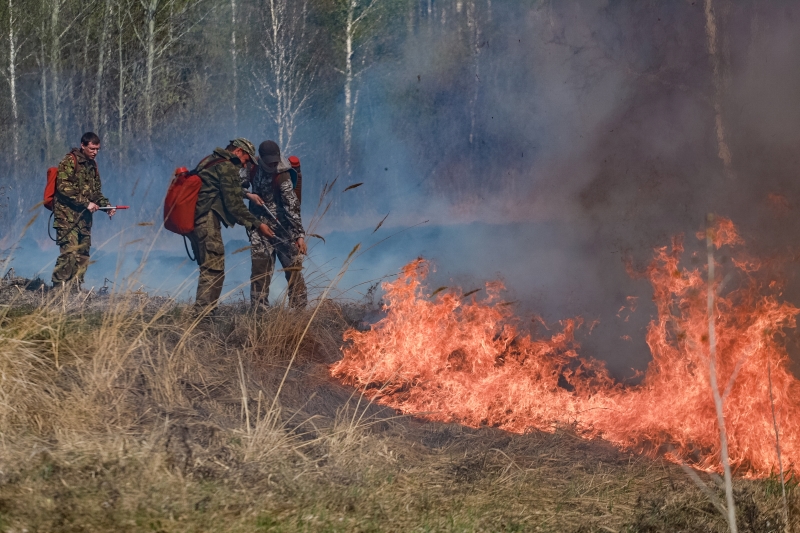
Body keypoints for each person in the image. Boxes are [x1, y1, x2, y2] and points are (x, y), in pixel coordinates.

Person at [188, 138, 275, 316]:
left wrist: (247, 195)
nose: (245, 165)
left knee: (212, 266)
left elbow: (224, 190)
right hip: (206, 220)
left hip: (197, 220)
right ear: (238, 151)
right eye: (245, 160)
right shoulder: (227, 167)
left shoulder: (209, 160)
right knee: (213, 268)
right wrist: (259, 225)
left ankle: (207, 313)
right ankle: (202, 315)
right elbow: (234, 205)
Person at [245, 140, 308, 309]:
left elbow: (292, 207)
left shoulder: (283, 174)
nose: (273, 164)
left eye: (275, 160)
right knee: (260, 272)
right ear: (261, 160)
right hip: (259, 227)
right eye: (269, 161)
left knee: (293, 269)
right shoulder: (251, 168)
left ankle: (299, 311)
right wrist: (248, 195)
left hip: (284, 228)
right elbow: (234, 188)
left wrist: (299, 236)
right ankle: (260, 313)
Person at [51, 132, 116, 290]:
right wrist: (86, 203)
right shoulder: (70, 161)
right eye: (92, 148)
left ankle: (75, 288)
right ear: (83, 145)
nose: (95, 152)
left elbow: (95, 193)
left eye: (98, 149)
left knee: (83, 255)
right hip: (67, 218)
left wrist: (106, 206)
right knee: (69, 254)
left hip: (84, 219)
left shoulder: (92, 166)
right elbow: (63, 187)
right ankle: (58, 289)